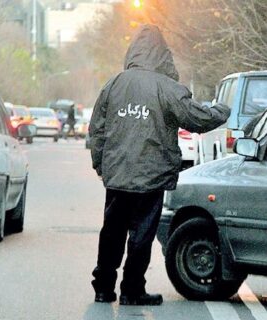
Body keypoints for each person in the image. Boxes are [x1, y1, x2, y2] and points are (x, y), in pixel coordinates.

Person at [88, 25, 230, 306]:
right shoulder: (166, 88)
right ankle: (132, 289)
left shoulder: (114, 84)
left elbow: (97, 130)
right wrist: (223, 110)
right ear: (162, 54)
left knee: (112, 231)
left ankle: (104, 287)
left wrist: (101, 166)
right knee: (141, 234)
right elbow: (196, 118)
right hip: (151, 175)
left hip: (117, 175)